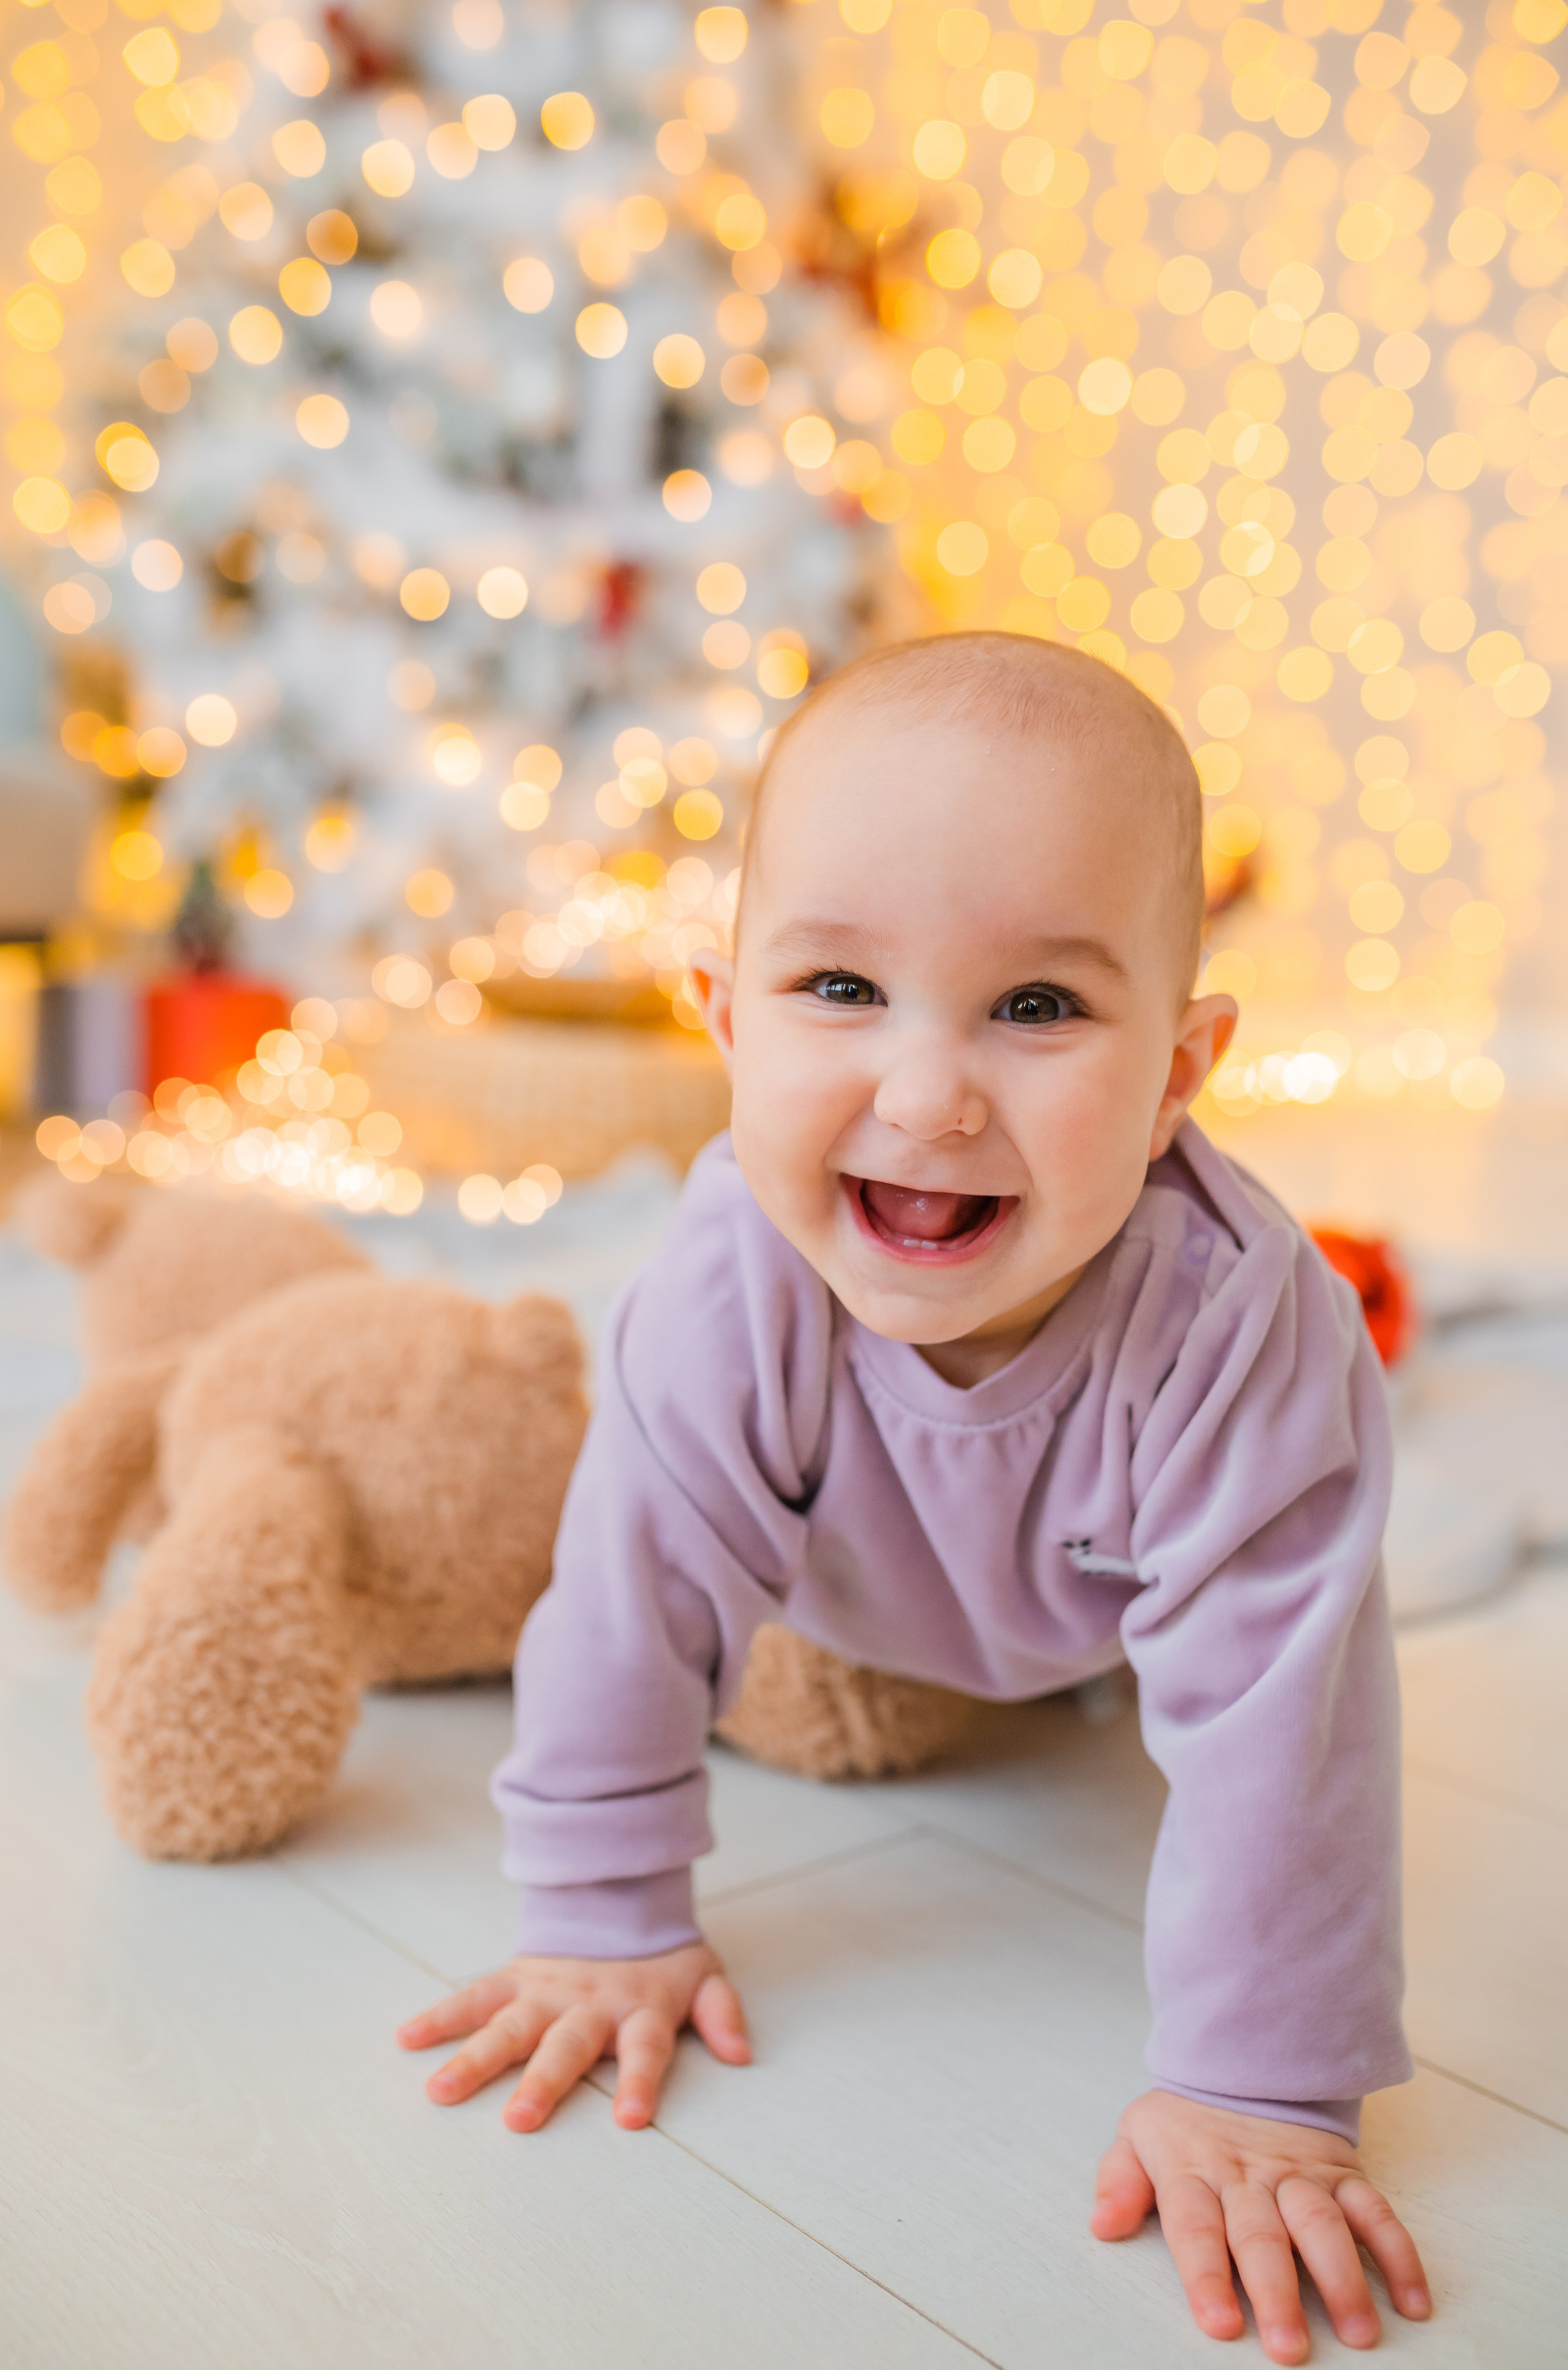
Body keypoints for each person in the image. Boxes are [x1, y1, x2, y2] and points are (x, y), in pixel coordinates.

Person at [398, 633, 1431, 2363]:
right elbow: (632, 1589)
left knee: (1247, 1605)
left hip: (1096, 1610)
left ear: (1181, 1071)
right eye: (839, 990)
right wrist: (600, 1913)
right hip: (846, 1583)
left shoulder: (1244, 1336)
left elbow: (1285, 1720)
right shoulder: (732, 1288)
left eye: (1038, 1007)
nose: (930, 1092)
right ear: (725, 1022)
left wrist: (1263, 2085)